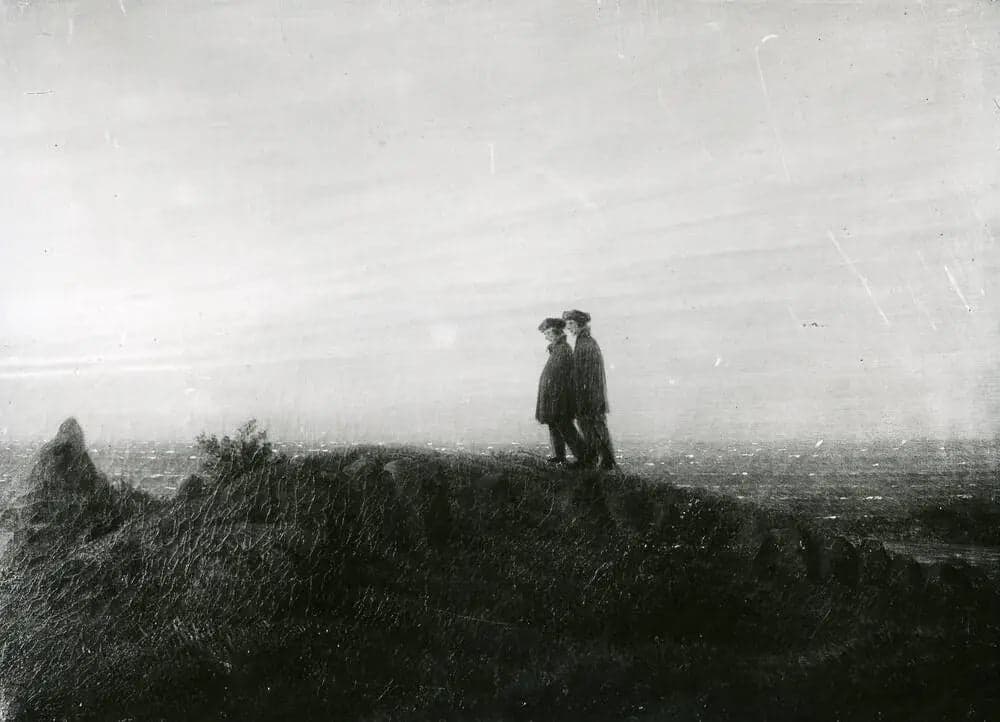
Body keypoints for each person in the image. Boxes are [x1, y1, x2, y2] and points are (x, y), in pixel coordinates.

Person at [562, 309, 616, 470]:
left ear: (580, 324)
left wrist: (586, 398)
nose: (568, 327)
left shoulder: (586, 343)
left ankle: (606, 462)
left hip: (590, 397)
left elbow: (589, 375)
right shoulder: (583, 341)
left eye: (571, 323)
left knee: (596, 428)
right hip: (587, 396)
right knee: (589, 428)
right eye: (567, 324)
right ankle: (593, 460)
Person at [535, 317, 586, 465]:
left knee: (565, 426)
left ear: (554, 332)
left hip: (560, 398)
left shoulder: (563, 349)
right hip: (554, 398)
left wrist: (555, 397)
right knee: (554, 425)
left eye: (547, 332)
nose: (545, 336)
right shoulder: (557, 349)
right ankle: (559, 456)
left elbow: (562, 377)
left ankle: (584, 458)